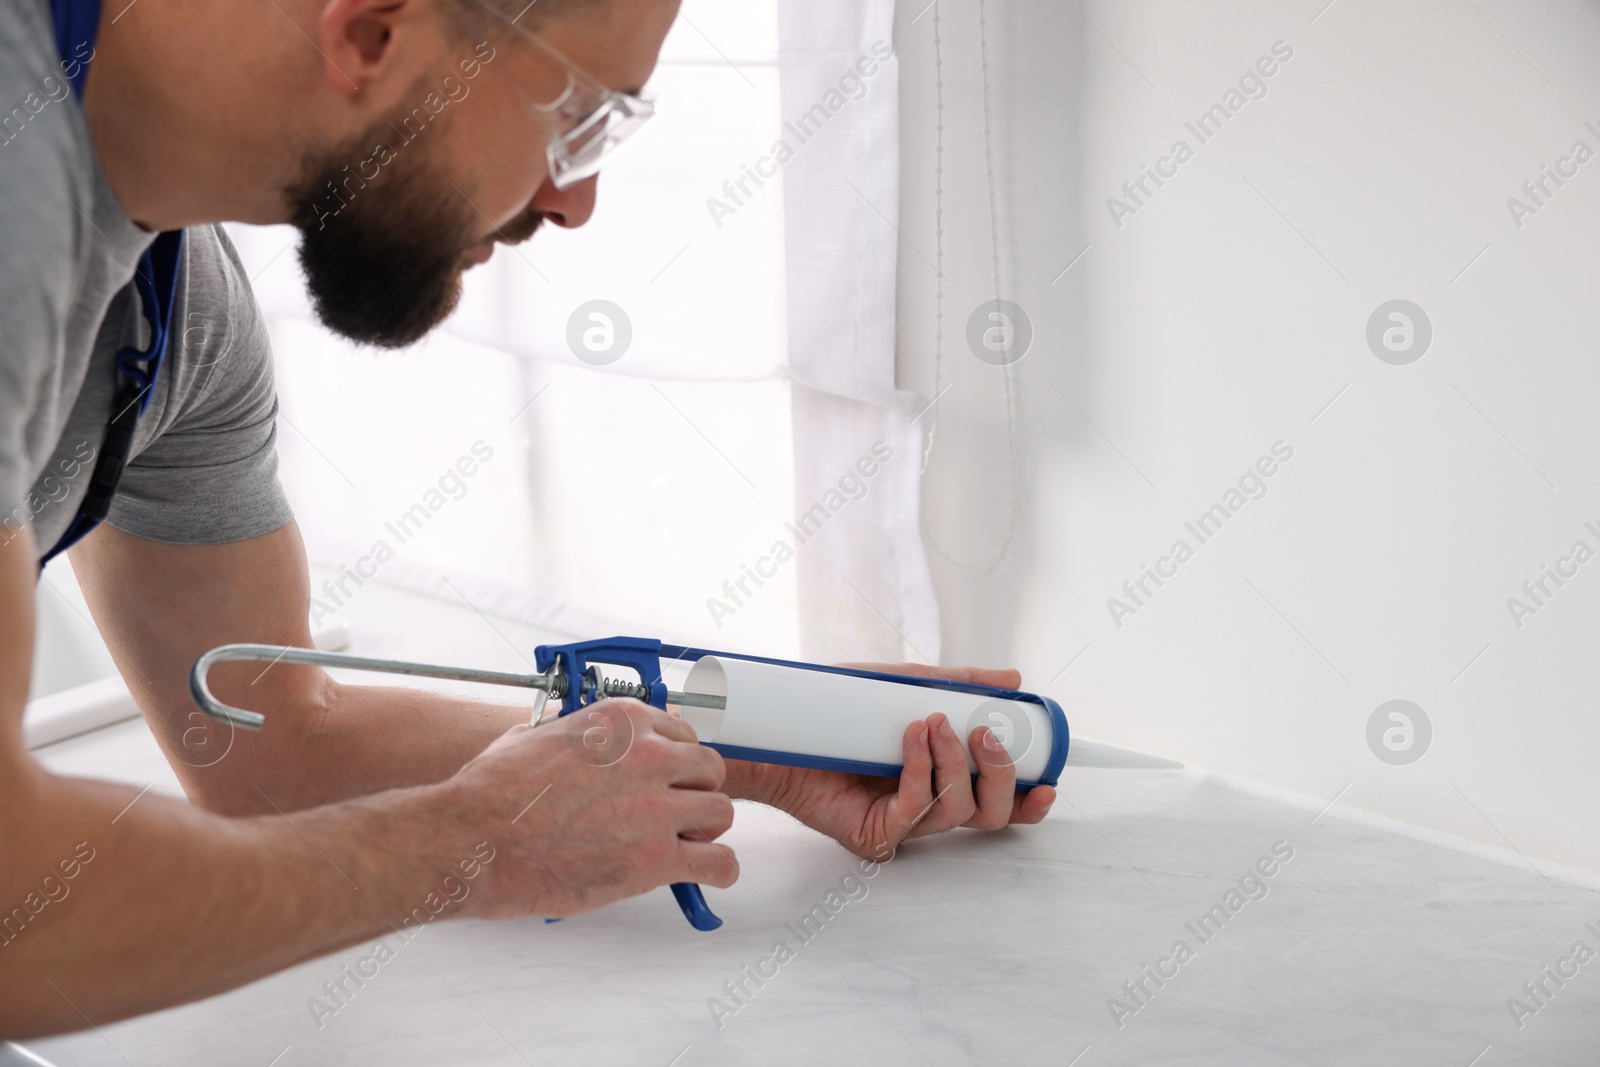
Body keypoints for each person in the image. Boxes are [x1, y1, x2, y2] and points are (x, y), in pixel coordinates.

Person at [0, 0, 1057, 1038]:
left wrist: (754, 746)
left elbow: (271, 750)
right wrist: (475, 845)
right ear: (371, 32)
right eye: (580, 115)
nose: (577, 199)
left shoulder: (179, 311)